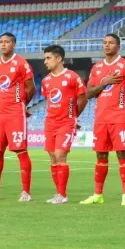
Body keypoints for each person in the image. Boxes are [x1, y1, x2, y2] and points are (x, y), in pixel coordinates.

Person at [80, 34, 125, 206]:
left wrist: (121, 107)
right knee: (101, 155)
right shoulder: (97, 68)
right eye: (104, 42)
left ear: (118, 47)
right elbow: (89, 93)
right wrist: (105, 83)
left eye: (111, 43)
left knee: (122, 154)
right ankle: (98, 194)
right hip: (100, 118)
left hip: (118, 118)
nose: (107, 45)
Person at [0, 33, 35, 202]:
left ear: (14, 44)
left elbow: (30, 89)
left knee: (21, 152)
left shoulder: (21, 64)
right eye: (1, 42)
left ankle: (26, 192)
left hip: (15, 113)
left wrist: (21, 105)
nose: (3, 45)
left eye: (7, 42)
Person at [41, 44, 87, 204]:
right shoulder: (46, 81)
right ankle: (58, 193)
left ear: (59, 59)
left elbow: (83, 97)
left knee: (60, 155)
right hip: (50, 123)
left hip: (66, 123)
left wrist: (73, 116)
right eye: (45, 58)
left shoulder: (72, 77)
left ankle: (62, 194)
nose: (45, 61)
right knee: (53, 157)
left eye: (48, 58)